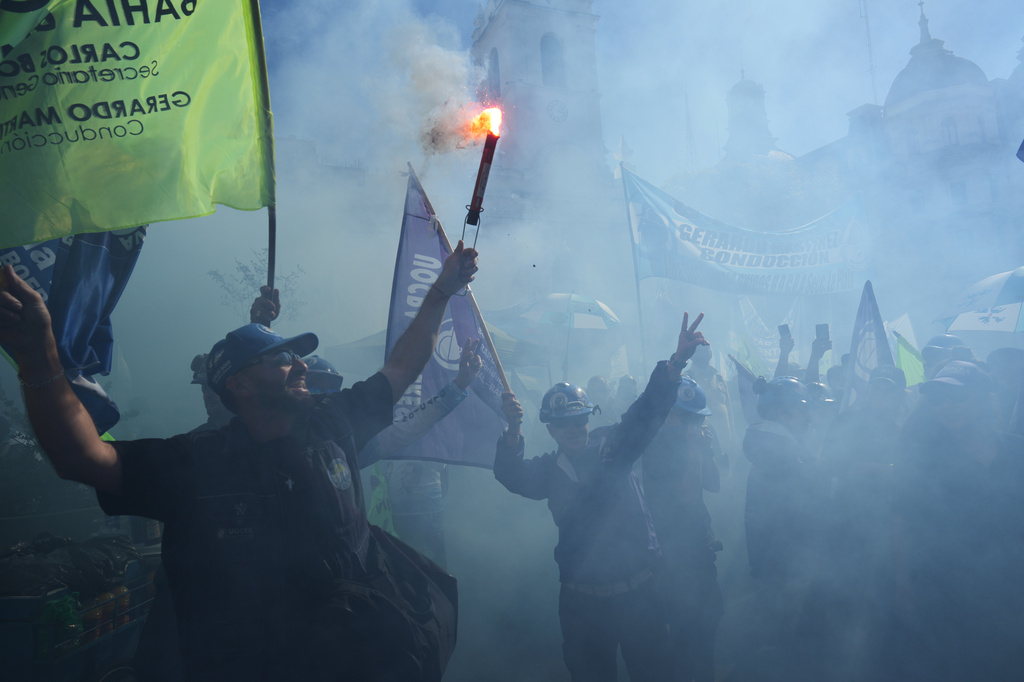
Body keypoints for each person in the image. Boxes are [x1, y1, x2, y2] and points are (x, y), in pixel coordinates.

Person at [0, 242, 478, 682]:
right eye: (284, 358)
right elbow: (82, 457)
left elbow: (401, 366)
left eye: (298, 356)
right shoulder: (196, 462)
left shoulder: (335, 423)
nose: (303, 365)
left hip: (354, 661)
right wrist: (39, 358)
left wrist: (440, 290)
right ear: (241, 387)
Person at [494, 312, 708, 682]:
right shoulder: (548, 470)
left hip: (639, 593)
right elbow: (511, 475)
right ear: (550, 427)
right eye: (564, 423)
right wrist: (513, 428)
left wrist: (675, 363)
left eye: (579, 420)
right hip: (581, 602)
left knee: (654, 673)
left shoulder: (615, 446)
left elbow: (646, 411)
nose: (574, 428)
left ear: (589, 420)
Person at [890, 361, 1024, 682]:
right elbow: (902, 519)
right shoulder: (926, 457)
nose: (946, 408)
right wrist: (903, 583)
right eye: (937, 400)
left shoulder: (1017, 449)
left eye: (957, 397)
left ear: (982, 398)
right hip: (946, 585)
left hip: (1010, 583)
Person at [366, 339, 484, 568]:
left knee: (426, 572)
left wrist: (460, 384)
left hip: (424, 507)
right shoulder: (384, 432)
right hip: (401, 510)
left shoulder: (409, 426)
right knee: (415, 572)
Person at [642, 377, 723, 682]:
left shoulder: (693, 442)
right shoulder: (655, 445)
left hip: (699, 550)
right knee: (682, 633)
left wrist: (707, 451)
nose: (691, 423)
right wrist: (692, 446)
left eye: (694, 417)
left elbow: (714, 485)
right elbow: (685, 493)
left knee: (708, 620)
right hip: (673, 554)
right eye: (685, 416)